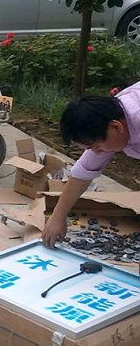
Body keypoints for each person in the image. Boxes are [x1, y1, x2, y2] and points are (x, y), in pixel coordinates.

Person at [42, 83, 140, 248]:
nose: (97, 152)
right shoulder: (109, 121)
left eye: (97, 146)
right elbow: (83, 172)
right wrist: (57, 217)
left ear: (116, 127)